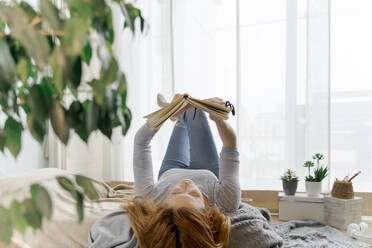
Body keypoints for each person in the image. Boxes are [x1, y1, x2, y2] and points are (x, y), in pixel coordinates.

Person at [124, 93, 241, 248]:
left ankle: (175, 112)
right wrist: (219, 120)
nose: (186, 184)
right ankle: (180, 112)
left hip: (171, 169)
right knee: (195, 112)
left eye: (175, 192)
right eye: (194, 194)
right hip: (207, 170)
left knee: (185, 105)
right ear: (209, 213)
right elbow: (230, 144)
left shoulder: (149, 199)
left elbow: (140, 142)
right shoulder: (227, 200)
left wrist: (170, 111)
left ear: (164, 209)